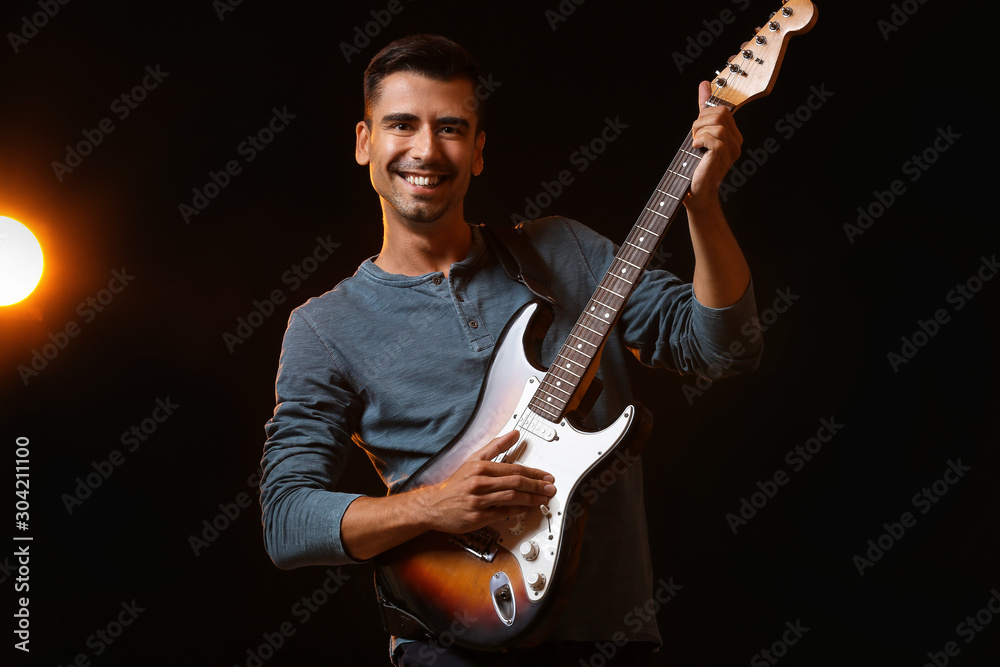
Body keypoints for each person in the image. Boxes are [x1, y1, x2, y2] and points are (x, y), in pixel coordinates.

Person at [261, 34, 762, 666]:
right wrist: (432, 506)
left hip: (610, 635)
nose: (425, 149)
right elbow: (287, 520)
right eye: (401, 125)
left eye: (450, 128)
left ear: (477, 152)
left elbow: (727, 348)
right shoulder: (324, 325)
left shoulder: (568, 252)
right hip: (448, 645)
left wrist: (704, 206)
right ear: (365, 142)